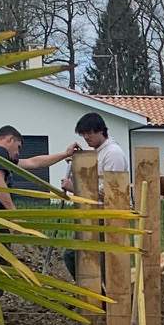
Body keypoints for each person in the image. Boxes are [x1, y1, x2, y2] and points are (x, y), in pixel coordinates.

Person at [0, 125, 77, 318]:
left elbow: (34, 163)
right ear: (9, 140)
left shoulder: (0, 157)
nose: (18, 153)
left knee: (0, 272)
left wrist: (64, 154)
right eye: (18, 147)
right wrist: (14, 216)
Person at [61, 112, 130, 282]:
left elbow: (112, 191)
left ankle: (101, 296)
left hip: (105, 216)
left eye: (89, 133)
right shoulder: (99, 152)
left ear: (101, 131)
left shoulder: (112, 154)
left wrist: (75, 187)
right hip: (93, 214)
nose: (86, 137)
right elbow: (93, 180)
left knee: (96, 258)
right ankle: (91, 293)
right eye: (83, 134)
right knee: (77, 256)